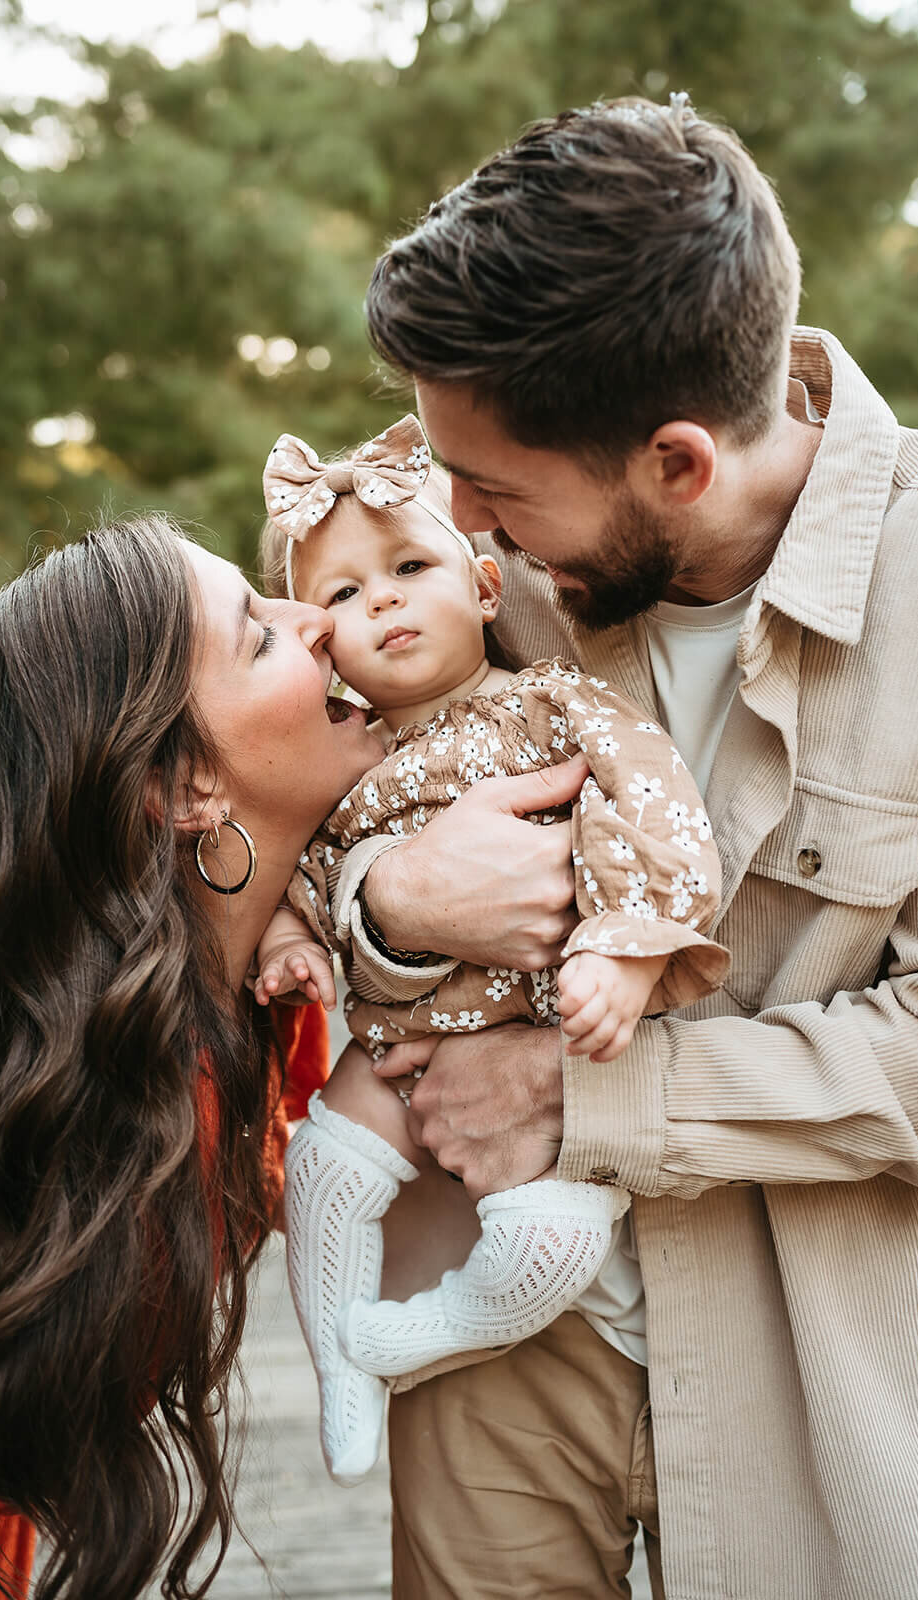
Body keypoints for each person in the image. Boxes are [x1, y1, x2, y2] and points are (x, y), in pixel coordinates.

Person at [349, 97, 918, 1599]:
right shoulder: (447, 535)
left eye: (493, 492)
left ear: (676, 460)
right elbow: (277, 782)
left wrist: (592, 1092)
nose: (452, 528)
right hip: (489, 1329)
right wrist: (389, 907)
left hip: (822, 1364)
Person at [0, 514, 381, 1599]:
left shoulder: (215, 1010)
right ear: (180, 786)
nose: (320, 620)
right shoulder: (82, 1117)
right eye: (258, 634)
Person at [253, 413, 727, 1485]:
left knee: (553, 1242)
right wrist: (288, 936)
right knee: (319, 1168)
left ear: (479, 585)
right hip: (395, 1047)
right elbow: (300, 867)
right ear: (324, 647)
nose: (379, 599)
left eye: (408, 567)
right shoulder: (342, 757)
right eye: (340, 595)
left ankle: (409, 1335)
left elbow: (653, 809)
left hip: (535, 1027)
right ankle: (338, 1361)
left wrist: (624, 947)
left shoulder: (549, 707)